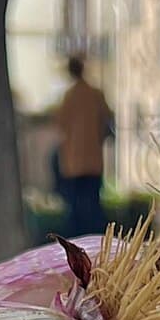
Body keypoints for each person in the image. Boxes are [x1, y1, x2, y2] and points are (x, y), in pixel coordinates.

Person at [53, 54, 113, 237]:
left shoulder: (69, 96)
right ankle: (97, 240)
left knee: (75, 208)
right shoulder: (95, 94)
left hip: (73, 162)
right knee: (93, 204)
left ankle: (76, 242)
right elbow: (107, 117)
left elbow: (61, 123)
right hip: (93, 159)